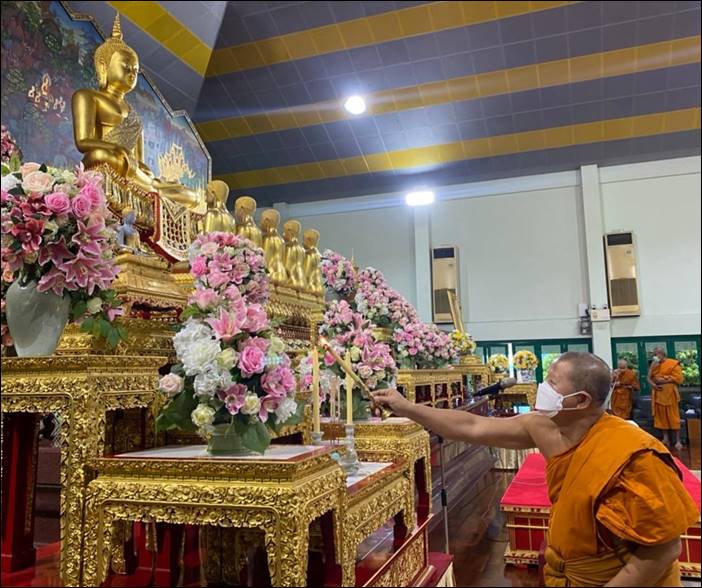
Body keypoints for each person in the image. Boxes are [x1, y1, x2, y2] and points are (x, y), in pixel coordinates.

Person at [374, 352, 698, 587]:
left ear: (581, 400)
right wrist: (408, 408)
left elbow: (664, 550)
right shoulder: (542, 427)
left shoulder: (634, 454)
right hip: (569, 573)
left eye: (551, 383)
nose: (542, 388)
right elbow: (471, 425)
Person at [648, 347, 684, 451]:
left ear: (662, 354)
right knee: (661, 417)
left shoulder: (673, 363)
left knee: (673, 417)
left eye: (656, 354)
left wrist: (664, 379)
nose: (655, 356)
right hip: (658, 394)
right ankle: (666, 438)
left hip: (670, 394)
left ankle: (677, 440)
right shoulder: (654, 365)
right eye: (654, 354)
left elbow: (679, 379)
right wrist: (654, 384)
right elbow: (649, 378)